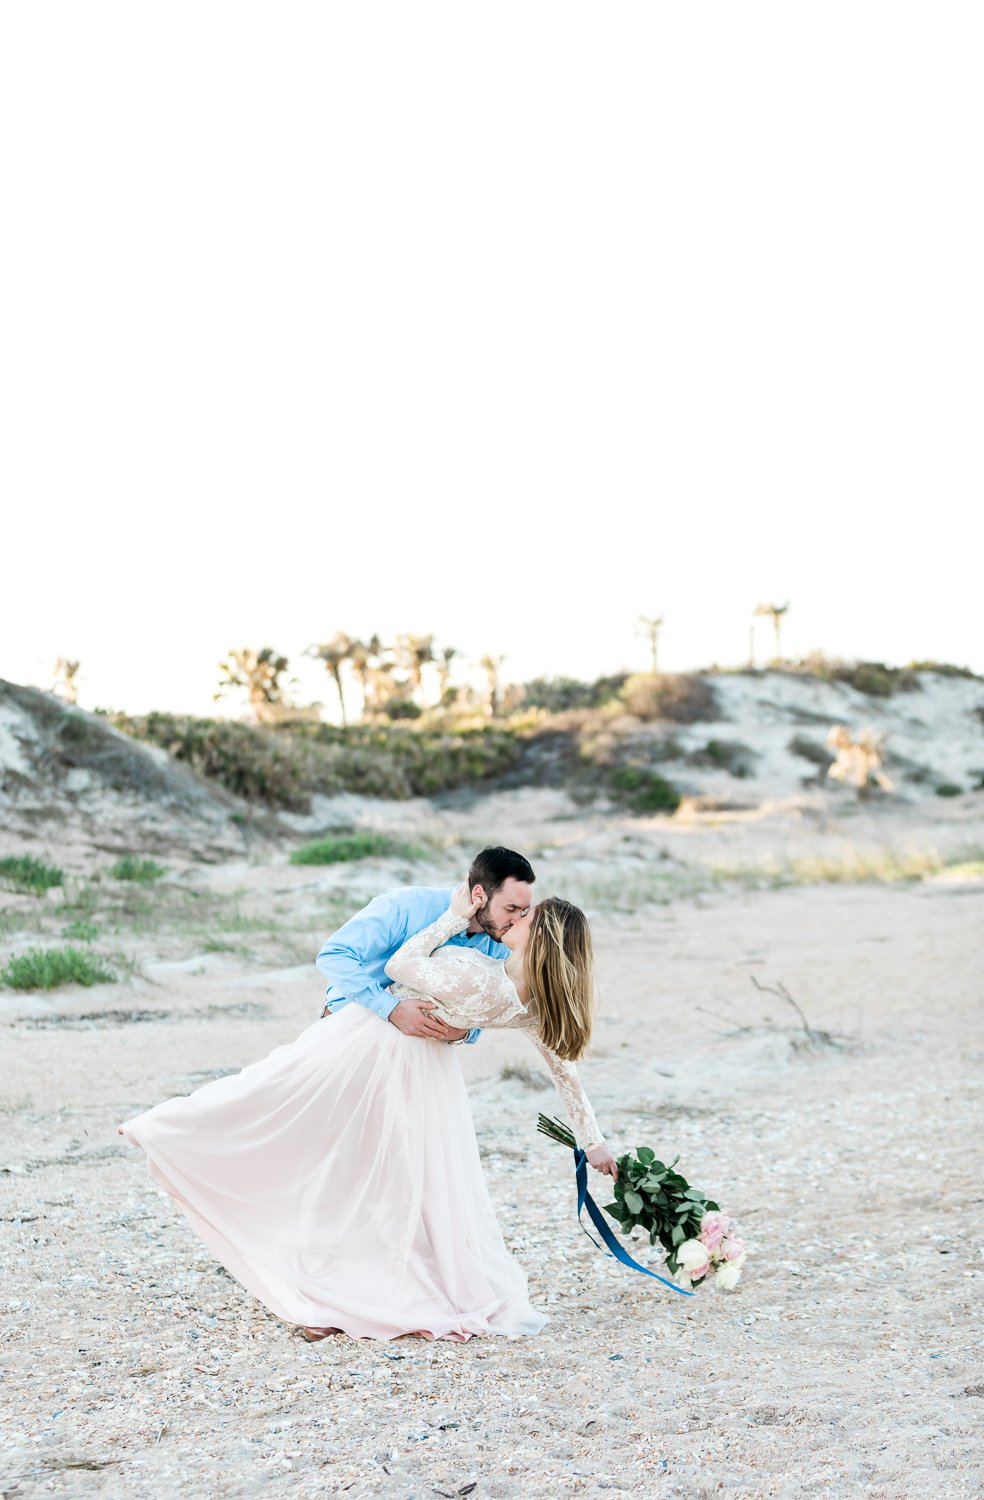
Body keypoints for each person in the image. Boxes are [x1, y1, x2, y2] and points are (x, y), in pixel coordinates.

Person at [116, 877, 617, 1343]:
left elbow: (400, 965)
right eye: (514, 909)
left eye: (526, 916)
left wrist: (449, 919)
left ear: (541, 936)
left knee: (278, 1100)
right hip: (420, 1067)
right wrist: (593, 1142)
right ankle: (352, 1277)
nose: (515, 919)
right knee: (381, 1171)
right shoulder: (531, 1001)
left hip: (376, 1049)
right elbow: (565, 1074)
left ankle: (168, 1129)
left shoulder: (481, 978)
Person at [314, 845, 536, 1042]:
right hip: (348, 1032)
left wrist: (465, 1033)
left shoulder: (498, 941)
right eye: (511, 909)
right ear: (479, 894)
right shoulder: (406, 906)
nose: (516, 920)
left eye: (523, 911)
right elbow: (335, 956)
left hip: (417, 1055)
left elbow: (484, 1005)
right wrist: (390, 1009)